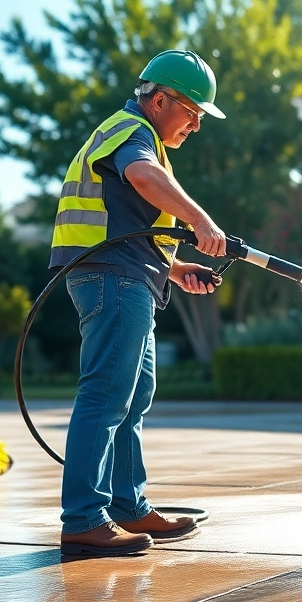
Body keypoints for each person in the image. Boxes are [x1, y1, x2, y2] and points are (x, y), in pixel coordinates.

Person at [49, 49, 228, 558]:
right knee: (107, 394)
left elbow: (122, 226)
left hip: (125, 276)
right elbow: (143, 178)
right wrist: (200, 220)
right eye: (191, 112)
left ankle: (127, 506)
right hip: (114, 280)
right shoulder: (133, 133)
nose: (195, 125)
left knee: (130, 398)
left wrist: (174, 268)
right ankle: (84, 519)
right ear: (160, 99)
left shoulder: (136, 136)